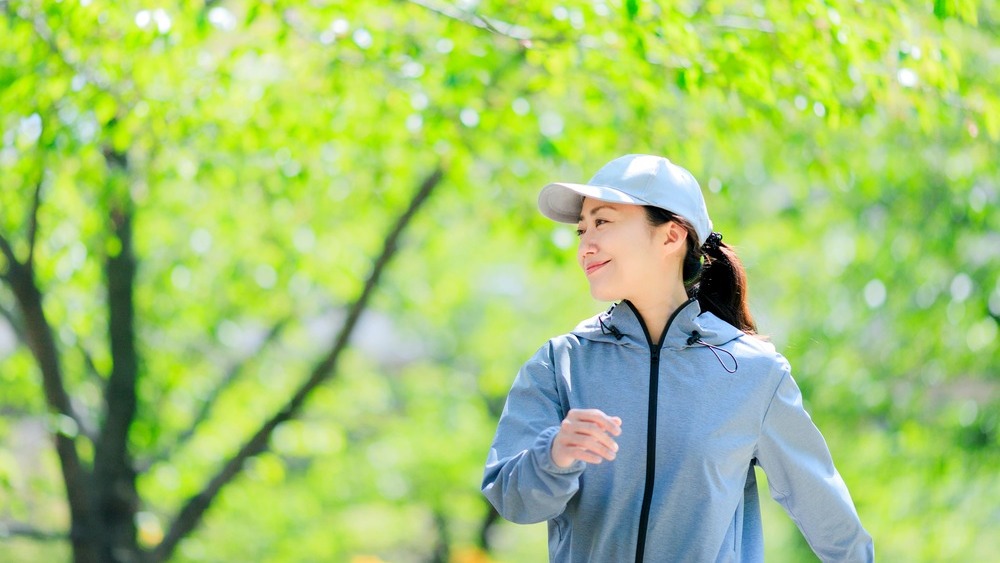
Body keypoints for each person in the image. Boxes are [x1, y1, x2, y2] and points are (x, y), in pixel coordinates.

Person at [481, 154, 874, 562]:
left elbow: (833, 524)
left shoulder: (753, 372)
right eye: (581, 230)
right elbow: (512, 501)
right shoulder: (562, 363)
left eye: (602, 222)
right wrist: (555, 455)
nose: (584, 245)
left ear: (670, 237)